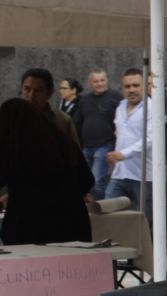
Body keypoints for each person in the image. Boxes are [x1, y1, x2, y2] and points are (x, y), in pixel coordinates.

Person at [0, 98, 94, 245]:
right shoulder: (64, 142)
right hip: (72, 222)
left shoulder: (12, 146)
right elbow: (87, 180)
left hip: (28, 225)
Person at [105, 68, 153, 210]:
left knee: (145, 220)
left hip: (143, 175)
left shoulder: (152, 108)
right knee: (107, 211)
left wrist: (123, 154)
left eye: (136, 85)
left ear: (144, 86)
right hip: (120, 173)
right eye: (127, 86)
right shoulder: (120, 107)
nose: (131, 90)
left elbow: (150, 139)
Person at [79, 68, 123, 200]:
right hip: (86, 146)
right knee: (84, 180)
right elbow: (78, 121)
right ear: (90, 83)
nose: (99, 84)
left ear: (107, 81)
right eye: (96, 81)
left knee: (98, 180)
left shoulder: (116, 97)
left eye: (102, 80)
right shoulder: (85, 100)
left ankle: (99, 209)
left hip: (104, 145)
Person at [20, 67, 78, 147]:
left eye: (38, 91)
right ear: (21, 89)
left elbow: (74, 154)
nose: (31, 96)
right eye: (27, 89)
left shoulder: (63, 121)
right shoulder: (9, 118)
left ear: (50, 93)